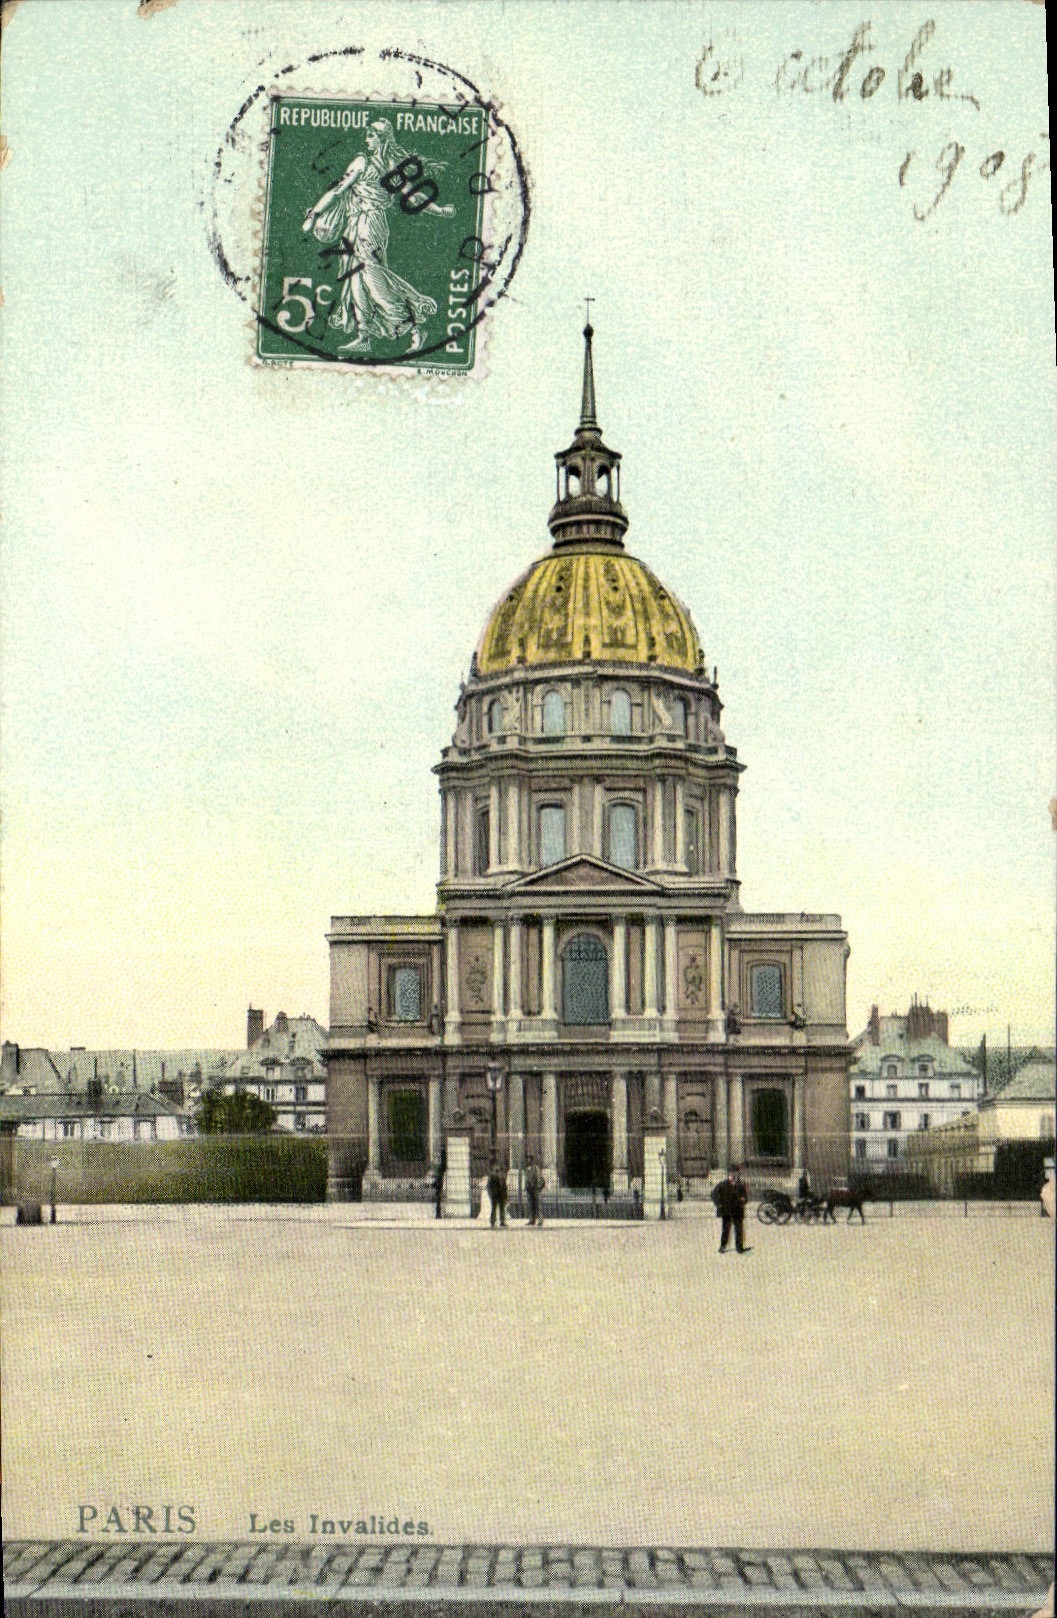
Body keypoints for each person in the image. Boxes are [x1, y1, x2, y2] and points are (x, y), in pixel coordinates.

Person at [302, 118, 454, 355]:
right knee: (355, 279)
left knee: (371, 276)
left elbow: (411, 196)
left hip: (370, 224)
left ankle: (412, 325)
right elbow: (339, 190)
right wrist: (314, 213)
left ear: (382, 139)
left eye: (372, 136)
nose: (367, 139)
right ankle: (364, 334)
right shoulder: (382, 165)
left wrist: (439, 210)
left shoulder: (373, 164)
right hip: (355, 224)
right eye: (367, 135)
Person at [711, 1166, 750, 1254]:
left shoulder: (741, 1185)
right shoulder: (722, 1184)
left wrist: (744, 1199)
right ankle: (723, 1247)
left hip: (737, 1210)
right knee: (725, 1229)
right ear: (728, 1174)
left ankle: (739, 1248)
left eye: (736, 1173)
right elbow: (714, 1195)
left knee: (739, 1229)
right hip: (726, 1211)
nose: (734, 1175)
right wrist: (719, 1204)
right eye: (732, 1173)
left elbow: (745, 1197)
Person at [486, 1158, 507, 1228]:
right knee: (494, 1209)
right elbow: (489, 1187)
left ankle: (502, 1221)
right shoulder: (492, 1176)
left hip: (501, 1195)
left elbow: (504, 1186)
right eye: (496, 1167)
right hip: (495, 1195)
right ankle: (493, 1221)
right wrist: (491, 1194)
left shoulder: (502, 1176)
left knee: (501, 1209)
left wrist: (505, 1196)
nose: (497, 1168)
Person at [525, 1156, 544, 1227]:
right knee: (530, 1206)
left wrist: (538, 1188)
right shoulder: (527, 1169)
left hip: (535, 1190)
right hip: (529, 1190)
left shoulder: (536, 1168)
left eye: (529, 1159)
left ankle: (540, 1220)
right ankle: (532, 1220)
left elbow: (539, 1178)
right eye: (527, 1159)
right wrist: (526, 1187)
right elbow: (526, 1179)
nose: (528, 1160)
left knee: (537, 1206)